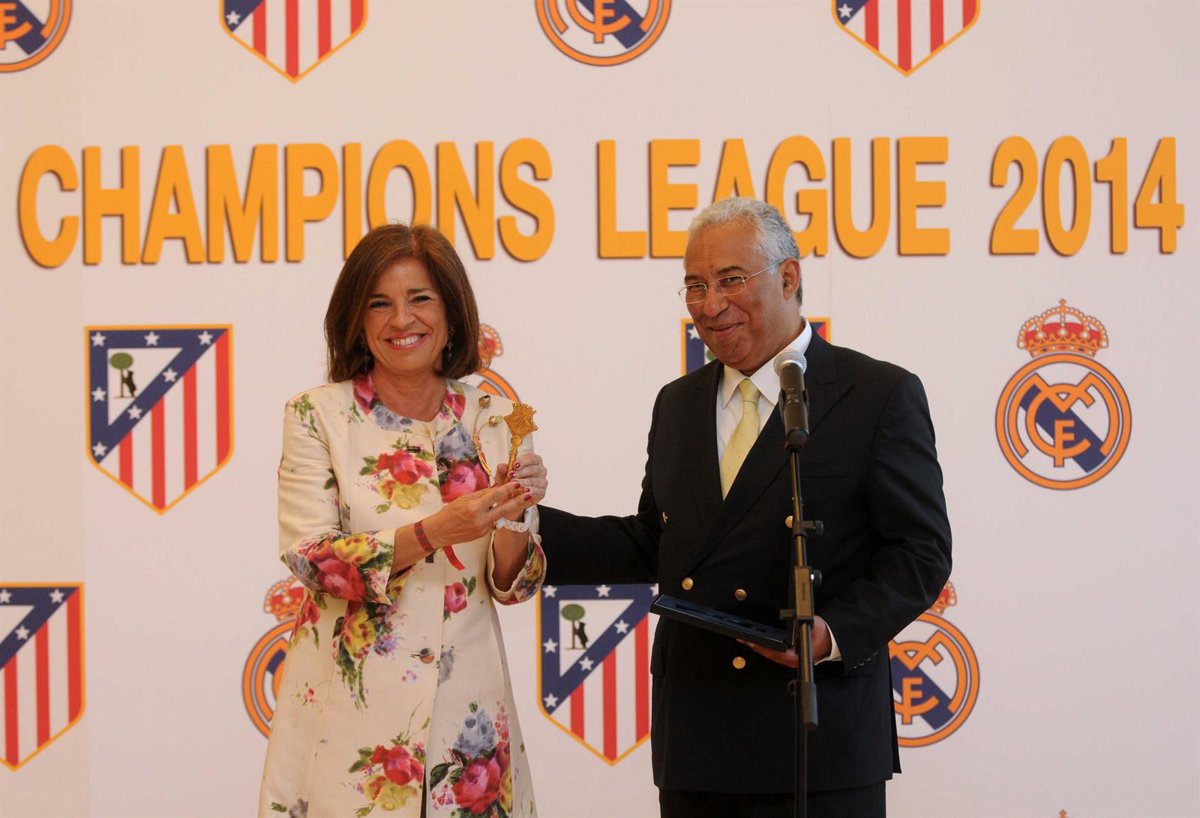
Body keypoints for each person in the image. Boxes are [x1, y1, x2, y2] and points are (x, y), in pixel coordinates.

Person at [539, 198, 951, 818]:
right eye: (695, 286)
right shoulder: (677, 403)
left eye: (731, 279)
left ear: (788, 277)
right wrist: (525, 524)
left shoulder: (877, 394)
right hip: (699, 738)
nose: (709, 305)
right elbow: (660, 542)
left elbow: (920, 553)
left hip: (819, 735)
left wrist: (831, 634)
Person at [259, 223, 548, 818]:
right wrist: (436, 531)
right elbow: (312, 560)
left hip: (467, 727)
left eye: (420, 298)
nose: (401, 319)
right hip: (349, 721)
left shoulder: (496, 417)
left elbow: (511, 586)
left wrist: (516, 516)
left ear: (451, 313)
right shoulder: (316, 415)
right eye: (379, 303)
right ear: (356, 320)